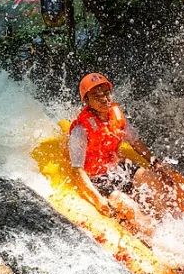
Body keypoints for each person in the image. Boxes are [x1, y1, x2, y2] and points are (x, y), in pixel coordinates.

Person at [68, 73, 167, 223]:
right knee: (128, 206)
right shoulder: (80, 130)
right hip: (97, 178)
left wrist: (156, 163)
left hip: (116, 168)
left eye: (106, 93)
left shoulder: (117, 117)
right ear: (87, 101)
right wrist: (97, 199)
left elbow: (135, 142)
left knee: (151, 180)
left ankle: (163, 221)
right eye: (96, 95)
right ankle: (150, 234)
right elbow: (77, 170)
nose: (104, 98)